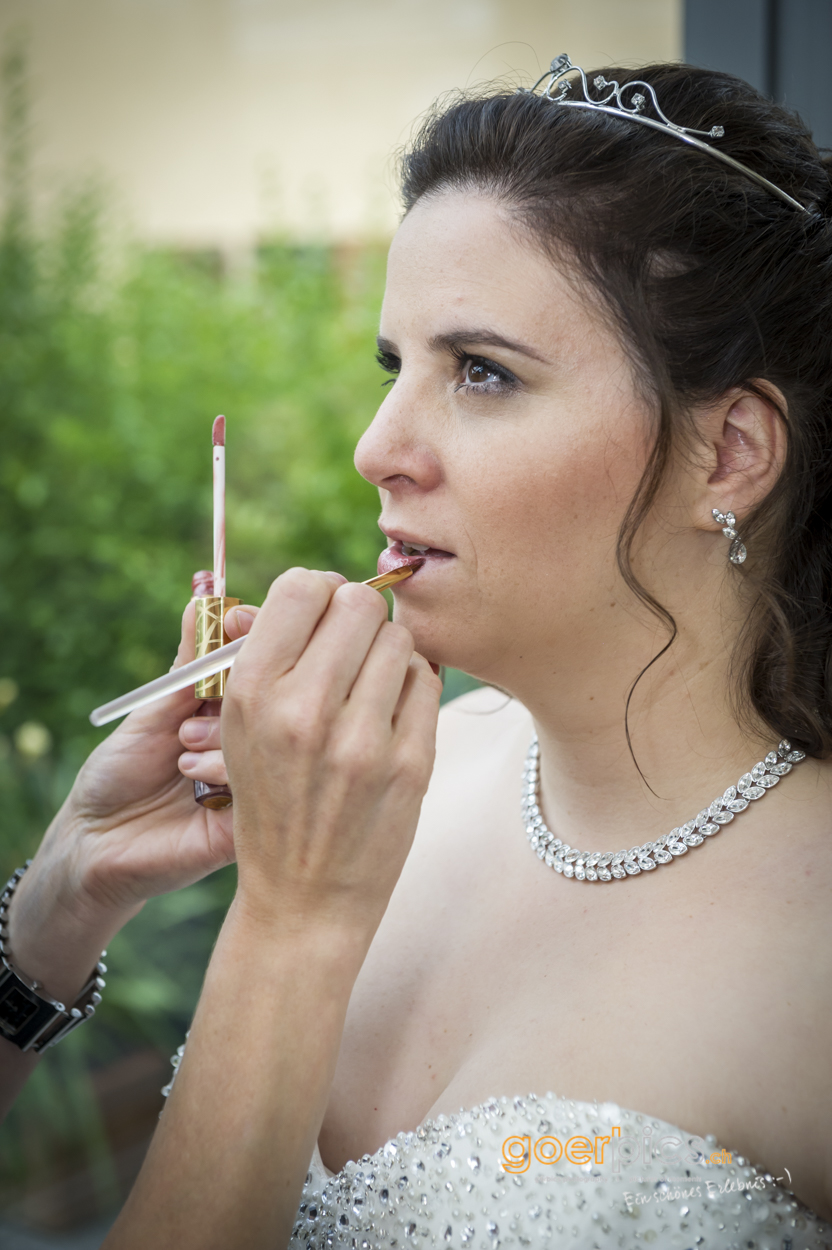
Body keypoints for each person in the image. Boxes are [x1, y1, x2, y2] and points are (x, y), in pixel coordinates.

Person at [2, 58, 831, 1249]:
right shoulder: (374, 781)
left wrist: (290, 923)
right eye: (397, 369)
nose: (375, 447)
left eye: (482, 372)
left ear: (730, 453)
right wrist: (61, 897)